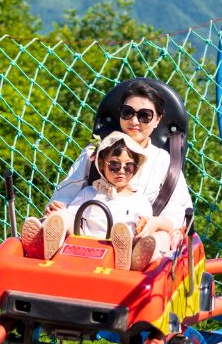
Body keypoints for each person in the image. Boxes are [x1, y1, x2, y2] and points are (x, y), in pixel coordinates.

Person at [46, 81, 193, 263]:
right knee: (58, 217)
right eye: (127, 113)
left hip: (133, 241)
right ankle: (42, 241)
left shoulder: (164, 162)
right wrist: (59, 208)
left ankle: (138, 258)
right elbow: (67, 193)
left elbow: (178, 212)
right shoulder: (95, 151)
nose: (134, 121)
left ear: (158, 119)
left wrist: (155, 223)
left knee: (159, 239)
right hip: (86, 239)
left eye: (144, 116)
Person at [20, 132, 154, 270]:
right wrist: (57, 213)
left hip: (115, 251)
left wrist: (143, 226)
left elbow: (144, 225)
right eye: (114, 165)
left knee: (127, 233)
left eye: (129, 166)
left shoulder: (139, 201)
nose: (121, 171)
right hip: (83, 245)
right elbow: (72, 217)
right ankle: (44, 245)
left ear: (136, 169)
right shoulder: (90, 192)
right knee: (62, 215)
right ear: (101, 165)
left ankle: (124, 259)